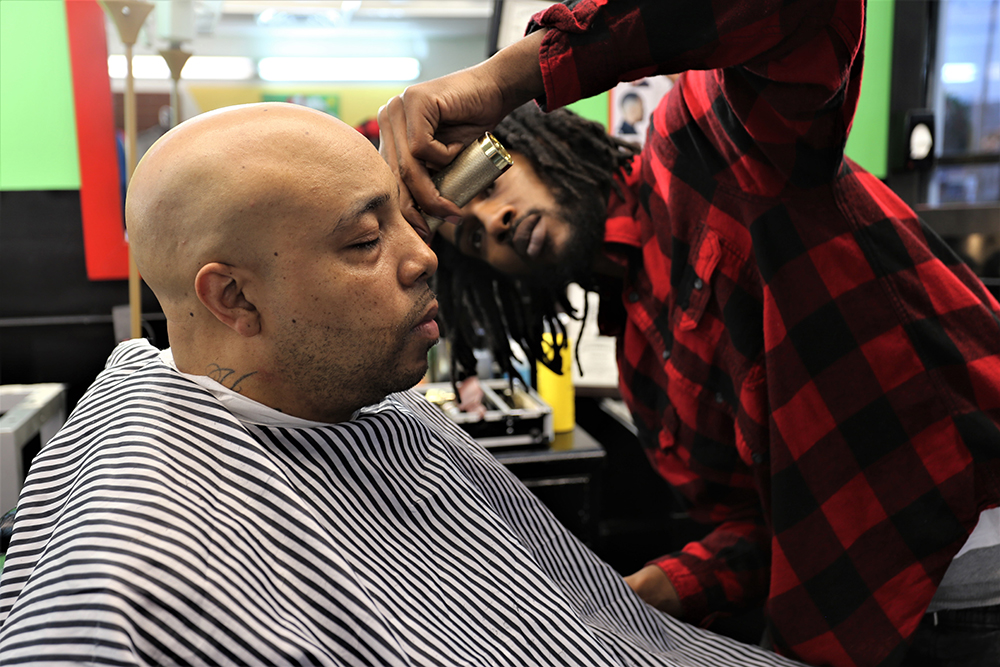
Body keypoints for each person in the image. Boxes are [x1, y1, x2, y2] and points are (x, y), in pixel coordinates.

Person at [0, 102, 809, 667]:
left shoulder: (372, 408)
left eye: (408, 221)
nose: (425, 257)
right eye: (363, 239)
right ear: (234, 297)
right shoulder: (136, 572)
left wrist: (613, 611)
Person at [377, 1, 1000, 666]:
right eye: (471, 235)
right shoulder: (642, 370)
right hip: (869, 622)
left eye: (488, 178)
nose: (492, 222)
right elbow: (754, 530)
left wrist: (510, 77)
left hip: (976, 560)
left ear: (534, 147)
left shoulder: (698, 142)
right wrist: (633, 595)